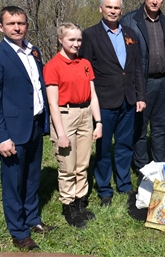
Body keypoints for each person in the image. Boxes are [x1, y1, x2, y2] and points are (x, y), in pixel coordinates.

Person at [0, 6, 55, 251]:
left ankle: (32, 219)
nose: (17, 27)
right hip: (12, 131)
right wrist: (2, 137)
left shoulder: (33, 51)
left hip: (34, 124)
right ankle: (19, 231)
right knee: (13, 182)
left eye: (21, 23)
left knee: (32, 177)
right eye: (11, 24)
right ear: (1, 27)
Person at [79, 0, 146, 207]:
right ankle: (104, 189)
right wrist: (90, 100)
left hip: (128, 98)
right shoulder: (90, 35)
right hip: (104, 100)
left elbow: (136, 67)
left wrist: (140, 95)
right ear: (100, 8)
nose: (113, 11)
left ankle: (124, 184)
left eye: (116, 8)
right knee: (104, 146)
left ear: (121, 10)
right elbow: (86, 69)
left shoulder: (130, 33)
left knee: (125, 144)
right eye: (109, 7)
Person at [44, 23, 102, 228]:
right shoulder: (53, 66)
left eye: (79, 40)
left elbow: (93, 95)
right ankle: (68, 205)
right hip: (65, 115)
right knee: (67, 166)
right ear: (61, 39)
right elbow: (52, 102)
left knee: (82, 164)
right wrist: (60, 132)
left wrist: (98, 122)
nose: (76, 44)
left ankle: (80, 202)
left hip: (86, 113)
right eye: (71, 40)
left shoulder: (85, 63)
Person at [120, 0, 165, 170]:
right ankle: (142, 167)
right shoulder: (130, 21)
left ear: (162, 0)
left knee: (159, 127)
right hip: (141, 83)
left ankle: (159, 164)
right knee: (139, 128)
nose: (155, 1)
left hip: (163, 82)